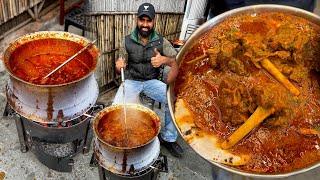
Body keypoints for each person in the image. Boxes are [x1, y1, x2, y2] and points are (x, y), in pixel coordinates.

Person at [113, 2, 183, 158]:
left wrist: (164, 60)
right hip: (131, 81)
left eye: (148, 20)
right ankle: (119, 139)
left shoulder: (160, 41)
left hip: (152, 82)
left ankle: (169, 138)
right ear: (137, 20)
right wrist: (119, 65)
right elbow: (119, 66)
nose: (145, 24)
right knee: (115, 108)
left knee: (173, 100)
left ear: (153, 21)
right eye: (142, 20)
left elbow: (176, 60)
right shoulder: (126, 40)